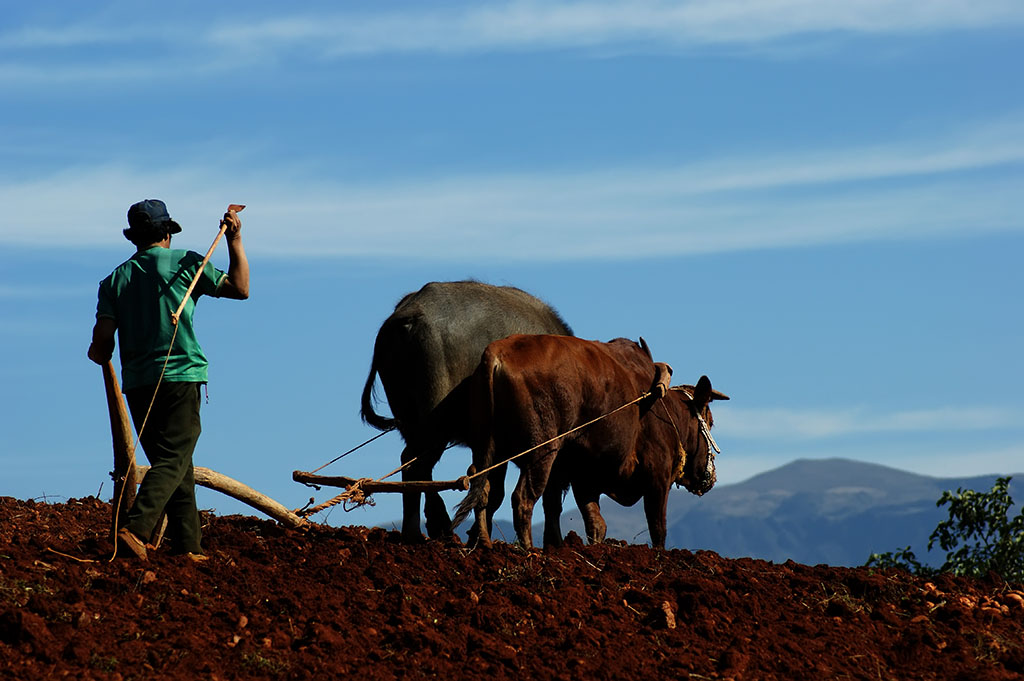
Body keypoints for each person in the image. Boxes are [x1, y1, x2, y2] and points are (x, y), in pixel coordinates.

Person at [87, 199, 249, 561]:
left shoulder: (114, 280)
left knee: (175, 464)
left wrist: (97, 351)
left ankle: (189, 548)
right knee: (175, 458)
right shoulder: (187, 263)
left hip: (139, 384)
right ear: (166, 232)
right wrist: (235, 240)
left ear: (134, 238)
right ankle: (135, 528)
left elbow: (102, 344)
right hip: (181, 375)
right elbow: (241, 288)